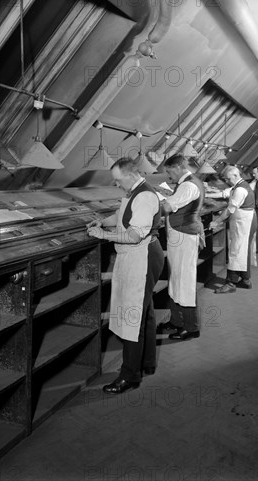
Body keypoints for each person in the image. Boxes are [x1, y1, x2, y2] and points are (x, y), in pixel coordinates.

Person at [87, 158, 164, 394]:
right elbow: (122, 217)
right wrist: (103, 221)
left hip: (143, 255)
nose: (116, 183)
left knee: (133, 316)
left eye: (118, 180)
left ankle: (129, 376)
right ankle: (146, 363)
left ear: (131, 175)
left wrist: (102, 235)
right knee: (145, 311)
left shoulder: (144, 196)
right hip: (141, 254)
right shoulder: (134, 191)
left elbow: (132, 236)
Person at [158, 154, 204, 341]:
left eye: (169, 172)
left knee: (184, 281)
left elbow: (167, 208)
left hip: (184, 237)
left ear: (178, 168)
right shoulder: (188, 183)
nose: (169, 177)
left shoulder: (188, 185)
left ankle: (190, 327)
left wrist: (151, 202)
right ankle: (176, 321)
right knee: (176, 278)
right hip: (179, 236)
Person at [207, 165, 257, 294]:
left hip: (244, 222)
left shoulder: (240, 189)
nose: (227, 182)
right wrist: (206, 193)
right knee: (242, 250)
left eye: (228, 179)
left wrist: (216, 221)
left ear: (235, 175)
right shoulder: (240, 185)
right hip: (245, 220)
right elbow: (225, 193)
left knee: (236, 251)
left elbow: (230, 210)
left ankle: (230, 283)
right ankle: (246, 280)